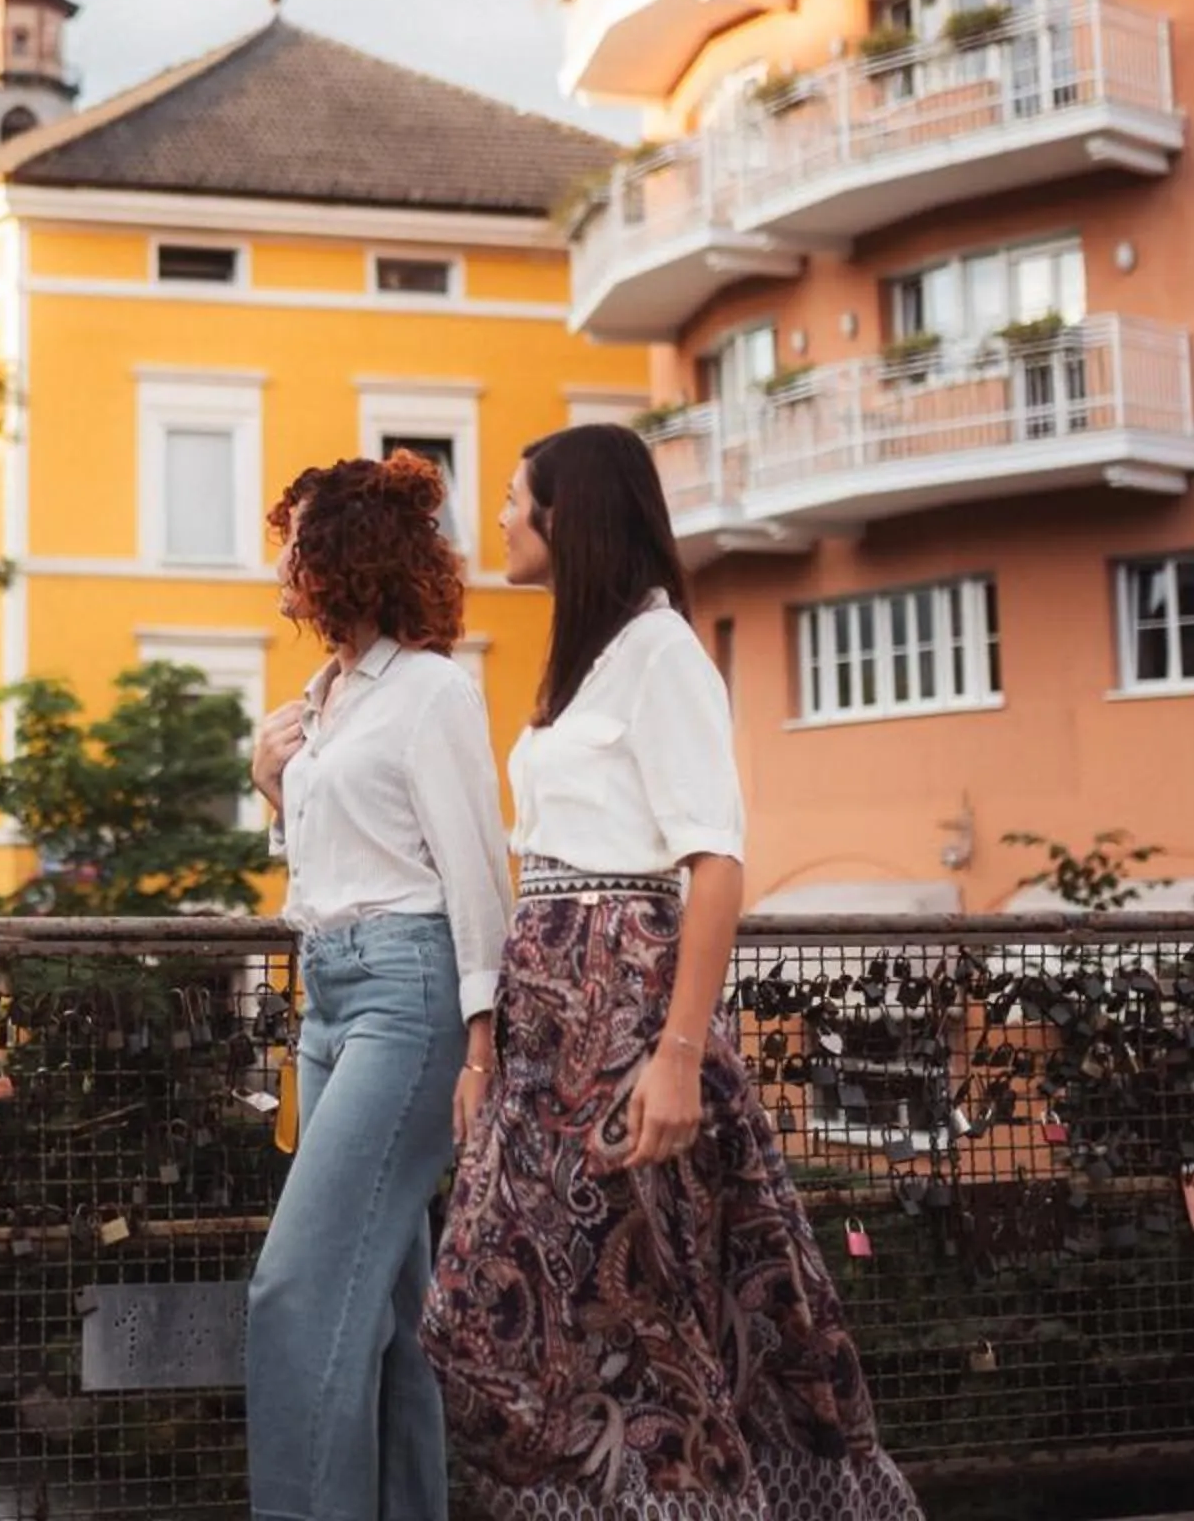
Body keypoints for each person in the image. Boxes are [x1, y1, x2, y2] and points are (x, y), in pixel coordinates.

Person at [420, 422, 922, 1521]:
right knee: (493, 1307)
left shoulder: (662, 654)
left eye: (513, 497)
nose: (498, 516)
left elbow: (717, 860)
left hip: (622, 1018)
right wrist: (487, 1042)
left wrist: (679, 1056)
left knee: (634, 1302)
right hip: (546, 1029)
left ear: (569, 515)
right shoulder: (590, 655)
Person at [242, 452, 515, 1521]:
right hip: (330, 991)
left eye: (294, 536)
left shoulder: (433, 688)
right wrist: (274, 787)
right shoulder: (327, 697)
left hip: (408, 990)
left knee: (298, 1290)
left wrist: (481, 1048)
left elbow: (476, 870)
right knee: (389, 1304)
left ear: (339, 557)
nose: (280, 556)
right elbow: (325, 868)